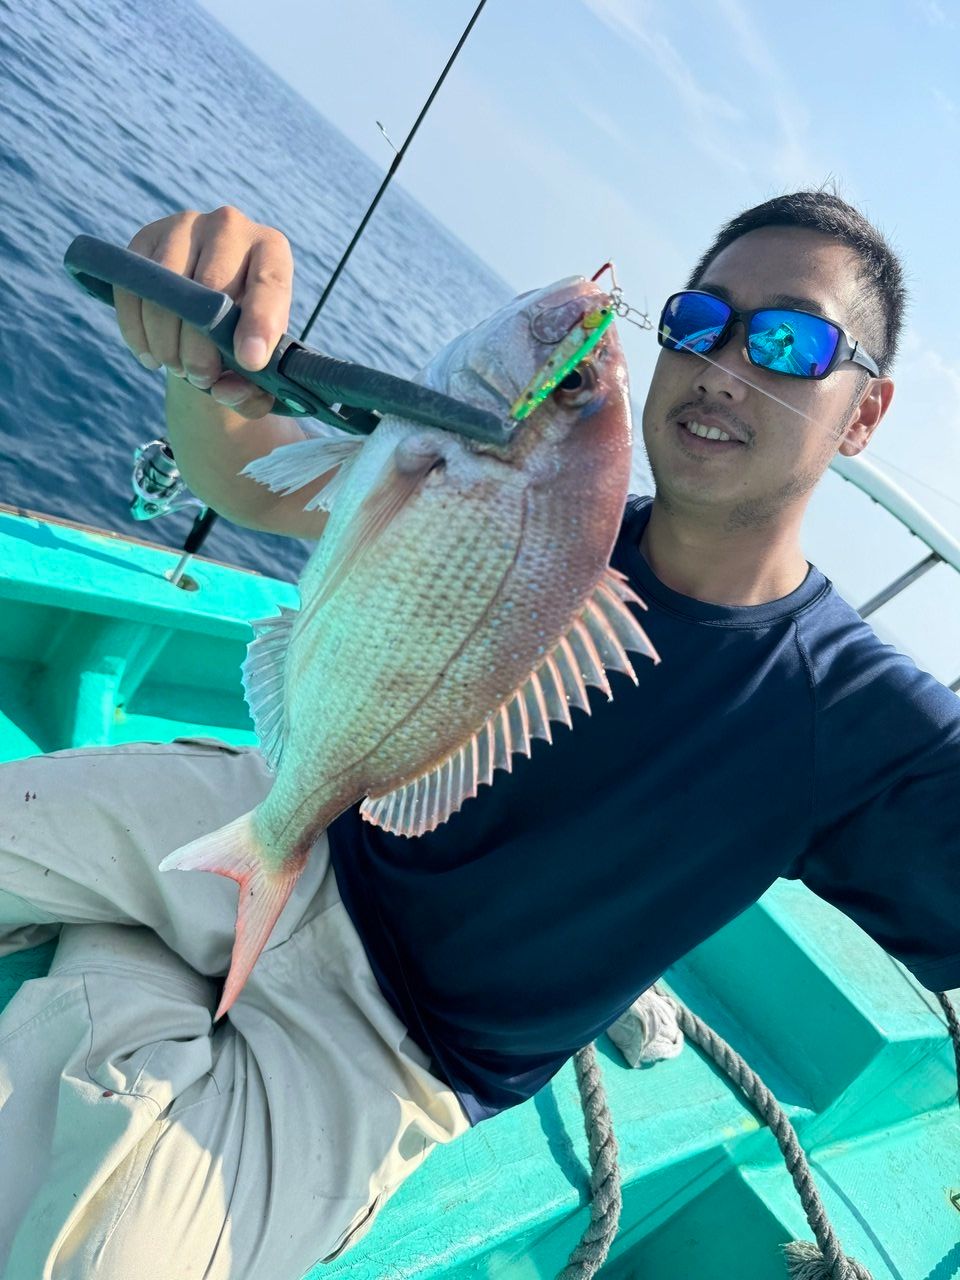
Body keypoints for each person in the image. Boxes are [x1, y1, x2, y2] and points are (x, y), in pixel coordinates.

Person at [1, 190, 957, 1280]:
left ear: (865, 414)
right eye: (697, 318)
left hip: (382, 1052)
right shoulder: (538, 500)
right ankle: (133, 967)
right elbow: (241, 471)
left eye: (790, 340)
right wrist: (203, 355)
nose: (725, 360)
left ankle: (120, 966)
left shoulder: (862, 718)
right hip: (288, 818)